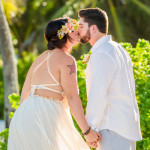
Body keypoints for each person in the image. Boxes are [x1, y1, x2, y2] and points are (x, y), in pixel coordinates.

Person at [7, 18, 101, 150]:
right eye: (73, 29)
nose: (78, 31)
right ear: (64, 34)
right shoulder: (67, 59)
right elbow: (72, 97)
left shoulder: (40, 58)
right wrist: (87, 132)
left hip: (22, 116)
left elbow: (24, 92)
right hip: (45, 115)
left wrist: (27, 117)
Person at [78, 8, 142, 150]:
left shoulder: (102, 53)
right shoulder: (118, 49)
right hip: (124, 127)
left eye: (81, 26)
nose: (78, 30)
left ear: (93, 28)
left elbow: (98, 92)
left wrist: (90, 130)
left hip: (111, 127)